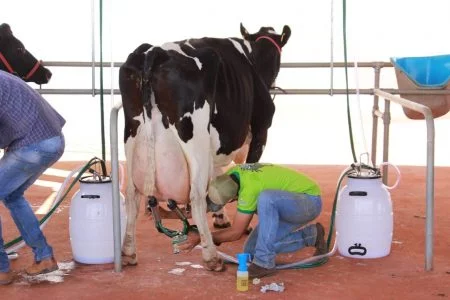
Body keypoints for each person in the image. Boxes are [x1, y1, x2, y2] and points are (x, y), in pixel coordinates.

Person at [179, 162, 327, 278]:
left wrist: (202, 238)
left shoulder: (249, 190)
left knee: (266, 199)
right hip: (284, 204)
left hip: (308, 201)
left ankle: (265, 263)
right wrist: (169, 214)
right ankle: (312, 235)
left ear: (234, 197)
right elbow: (208, 204)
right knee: (251, 252)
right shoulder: (230, 177)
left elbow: (236, 232)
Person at [0, 70, 66, 285]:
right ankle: (44, 257)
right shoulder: (4, 77)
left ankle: (2, 270)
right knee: (12, 195)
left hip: (34, 145)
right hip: (52, 140)